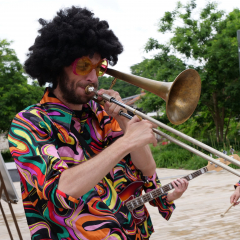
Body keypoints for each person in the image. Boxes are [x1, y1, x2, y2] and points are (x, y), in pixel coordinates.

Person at [8, 6, 188, 240]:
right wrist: (124, 144)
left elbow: (147, 169)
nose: (92, 78)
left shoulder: (102, 114)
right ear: (56, 65)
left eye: (98, 68)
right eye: (83, 67)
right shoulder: (29, 122)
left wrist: (123, 118)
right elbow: (61, 189)